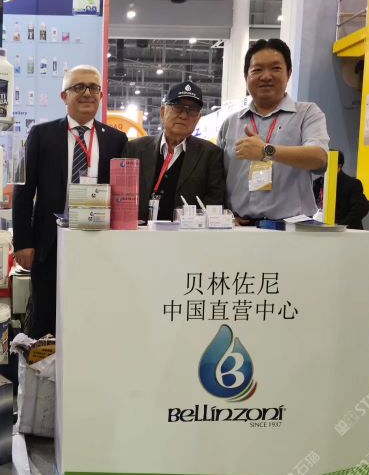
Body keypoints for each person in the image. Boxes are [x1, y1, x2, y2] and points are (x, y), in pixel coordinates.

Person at [12, 65, 127, 339]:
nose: (87, 93)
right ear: (64, 96)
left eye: (93, 87)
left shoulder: (117, 140)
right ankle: (45, 365)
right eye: (78, 87)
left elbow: (122, 195)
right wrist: (23, 243)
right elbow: (23, 191)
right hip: (50, 243)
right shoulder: (41, 134)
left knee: (92, 315)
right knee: (46, 317)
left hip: (100, 243)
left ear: (101, 95)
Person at [217, 38, 329, 225]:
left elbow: (319, 158)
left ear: (289, 73)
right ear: (246, 77)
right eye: (257, 70)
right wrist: (224, 215)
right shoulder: (230, 123)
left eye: (275, 68)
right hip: (240, 228)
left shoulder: (307, 113)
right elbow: (217, 179)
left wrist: (266, 151)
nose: (266, 76)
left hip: (291, 229)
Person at [122, 81, 226, 222]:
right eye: (178, 107)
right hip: (140, 231)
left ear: (198, 118)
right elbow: (121, 193)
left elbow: (214, 200)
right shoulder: (134, 149)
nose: (184, 116)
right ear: (162, 112)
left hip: (187, 233)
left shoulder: (211, 154)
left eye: (192, 110)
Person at [313, 150, 369, 229]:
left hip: (346, 231)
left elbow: (361, 208)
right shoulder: (317, 183)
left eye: (326, 164)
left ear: (338, 166)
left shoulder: (352, 184)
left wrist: (340, 225)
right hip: (321, 228)